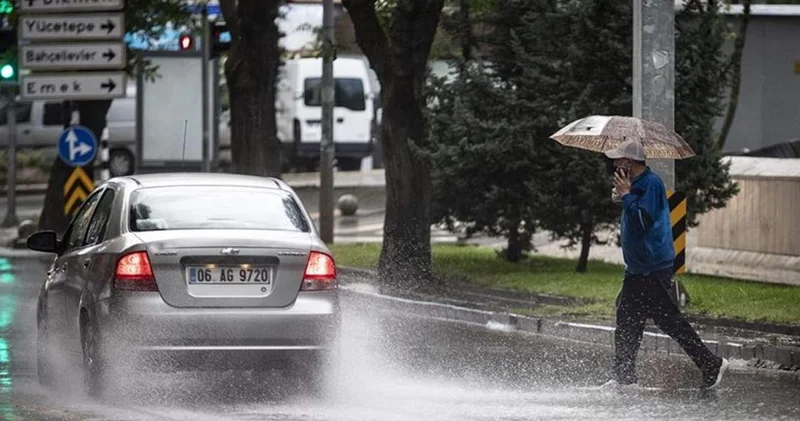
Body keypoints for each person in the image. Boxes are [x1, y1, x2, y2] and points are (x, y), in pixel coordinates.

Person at [604, 138, 728, 389]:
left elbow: (641, 221)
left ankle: (711, 364)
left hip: (652, 267)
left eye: (618, 158)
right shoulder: (635, 184)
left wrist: (626, 196)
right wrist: (621, 196)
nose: (614, 163)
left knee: (667, 320)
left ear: (629, 161)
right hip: (638, 268)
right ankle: (624, 378)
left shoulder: (651, 184)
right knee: (628, 319)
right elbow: (632, 211)